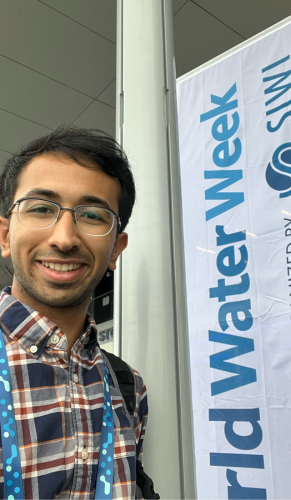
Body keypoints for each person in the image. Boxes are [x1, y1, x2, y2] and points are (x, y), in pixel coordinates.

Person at [0, 127, 148, 499]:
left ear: (116, 249)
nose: (64, 238)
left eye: (93, 215)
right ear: (4, 237)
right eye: (41, 209)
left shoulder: (128, 386)